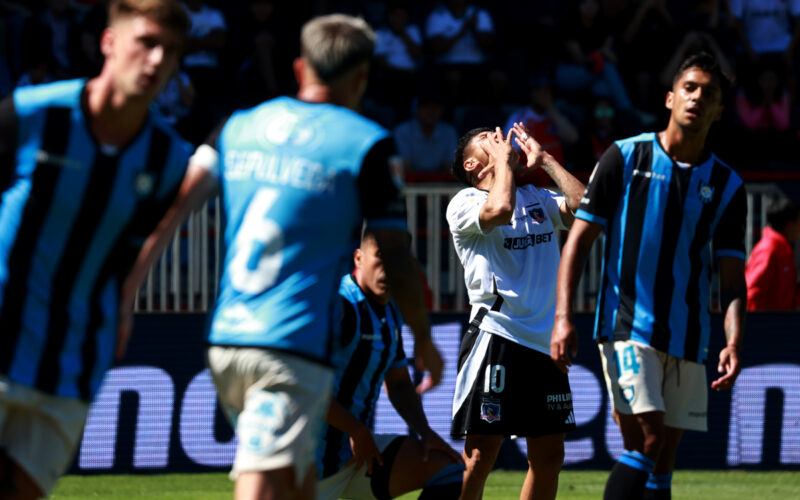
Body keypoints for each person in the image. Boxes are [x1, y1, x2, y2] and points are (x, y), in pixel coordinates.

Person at [122, 13, 444, 500]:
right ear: (361, 78)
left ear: (299, 68)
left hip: (226, 339)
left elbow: (171, 210)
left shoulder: (239, 125)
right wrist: (423, 337)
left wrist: (125, 296)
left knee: (292, 487)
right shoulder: (365, 143)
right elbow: (396, 252)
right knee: (266, 489)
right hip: (290, 346)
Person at [0, 1, 191, 498]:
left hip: (72, 364)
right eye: (146, 43)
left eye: (169, 52)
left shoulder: (168, 159)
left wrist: (123, 310)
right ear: (109, 43)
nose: (156, 61)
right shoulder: (30, 115)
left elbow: (129, 253)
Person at [551, 52, 747, 500]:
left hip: (689, 334)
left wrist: (734, 342)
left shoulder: (729, 186)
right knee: (648, 442)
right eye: (690, 88)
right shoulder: (625, 157)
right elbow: (578, 242)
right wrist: (564, 317)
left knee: (664, 463)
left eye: (709, 93)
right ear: (670, 98)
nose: (697, 97)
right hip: (627, 326)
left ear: (719, 110)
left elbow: (733, 281)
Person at [447, 123, 585, 500]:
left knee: (549, 457)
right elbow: (501, 208)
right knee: (479, 456)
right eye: (488, 141)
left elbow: (586, 207)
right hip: (497, 336)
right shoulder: (465, 203)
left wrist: (547, 161)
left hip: (544, 343)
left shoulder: (536, 195)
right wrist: (507, 164)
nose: (500, 139)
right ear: (473, 165)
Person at [316, 231, 464, 500]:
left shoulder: (391, 311)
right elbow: (307, 387)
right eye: (380, 258)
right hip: (307, 461)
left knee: (448, 468)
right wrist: (357, 430)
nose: (388, 270)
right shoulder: (340, 306)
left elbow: (397, 383)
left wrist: (425, 433)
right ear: (358, 258)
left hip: (356, 454)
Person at [745, 197, 800, 311]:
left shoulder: (783, 250)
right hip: (767, 327)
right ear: (789, 224)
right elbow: (752, 294)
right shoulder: (769, 249)